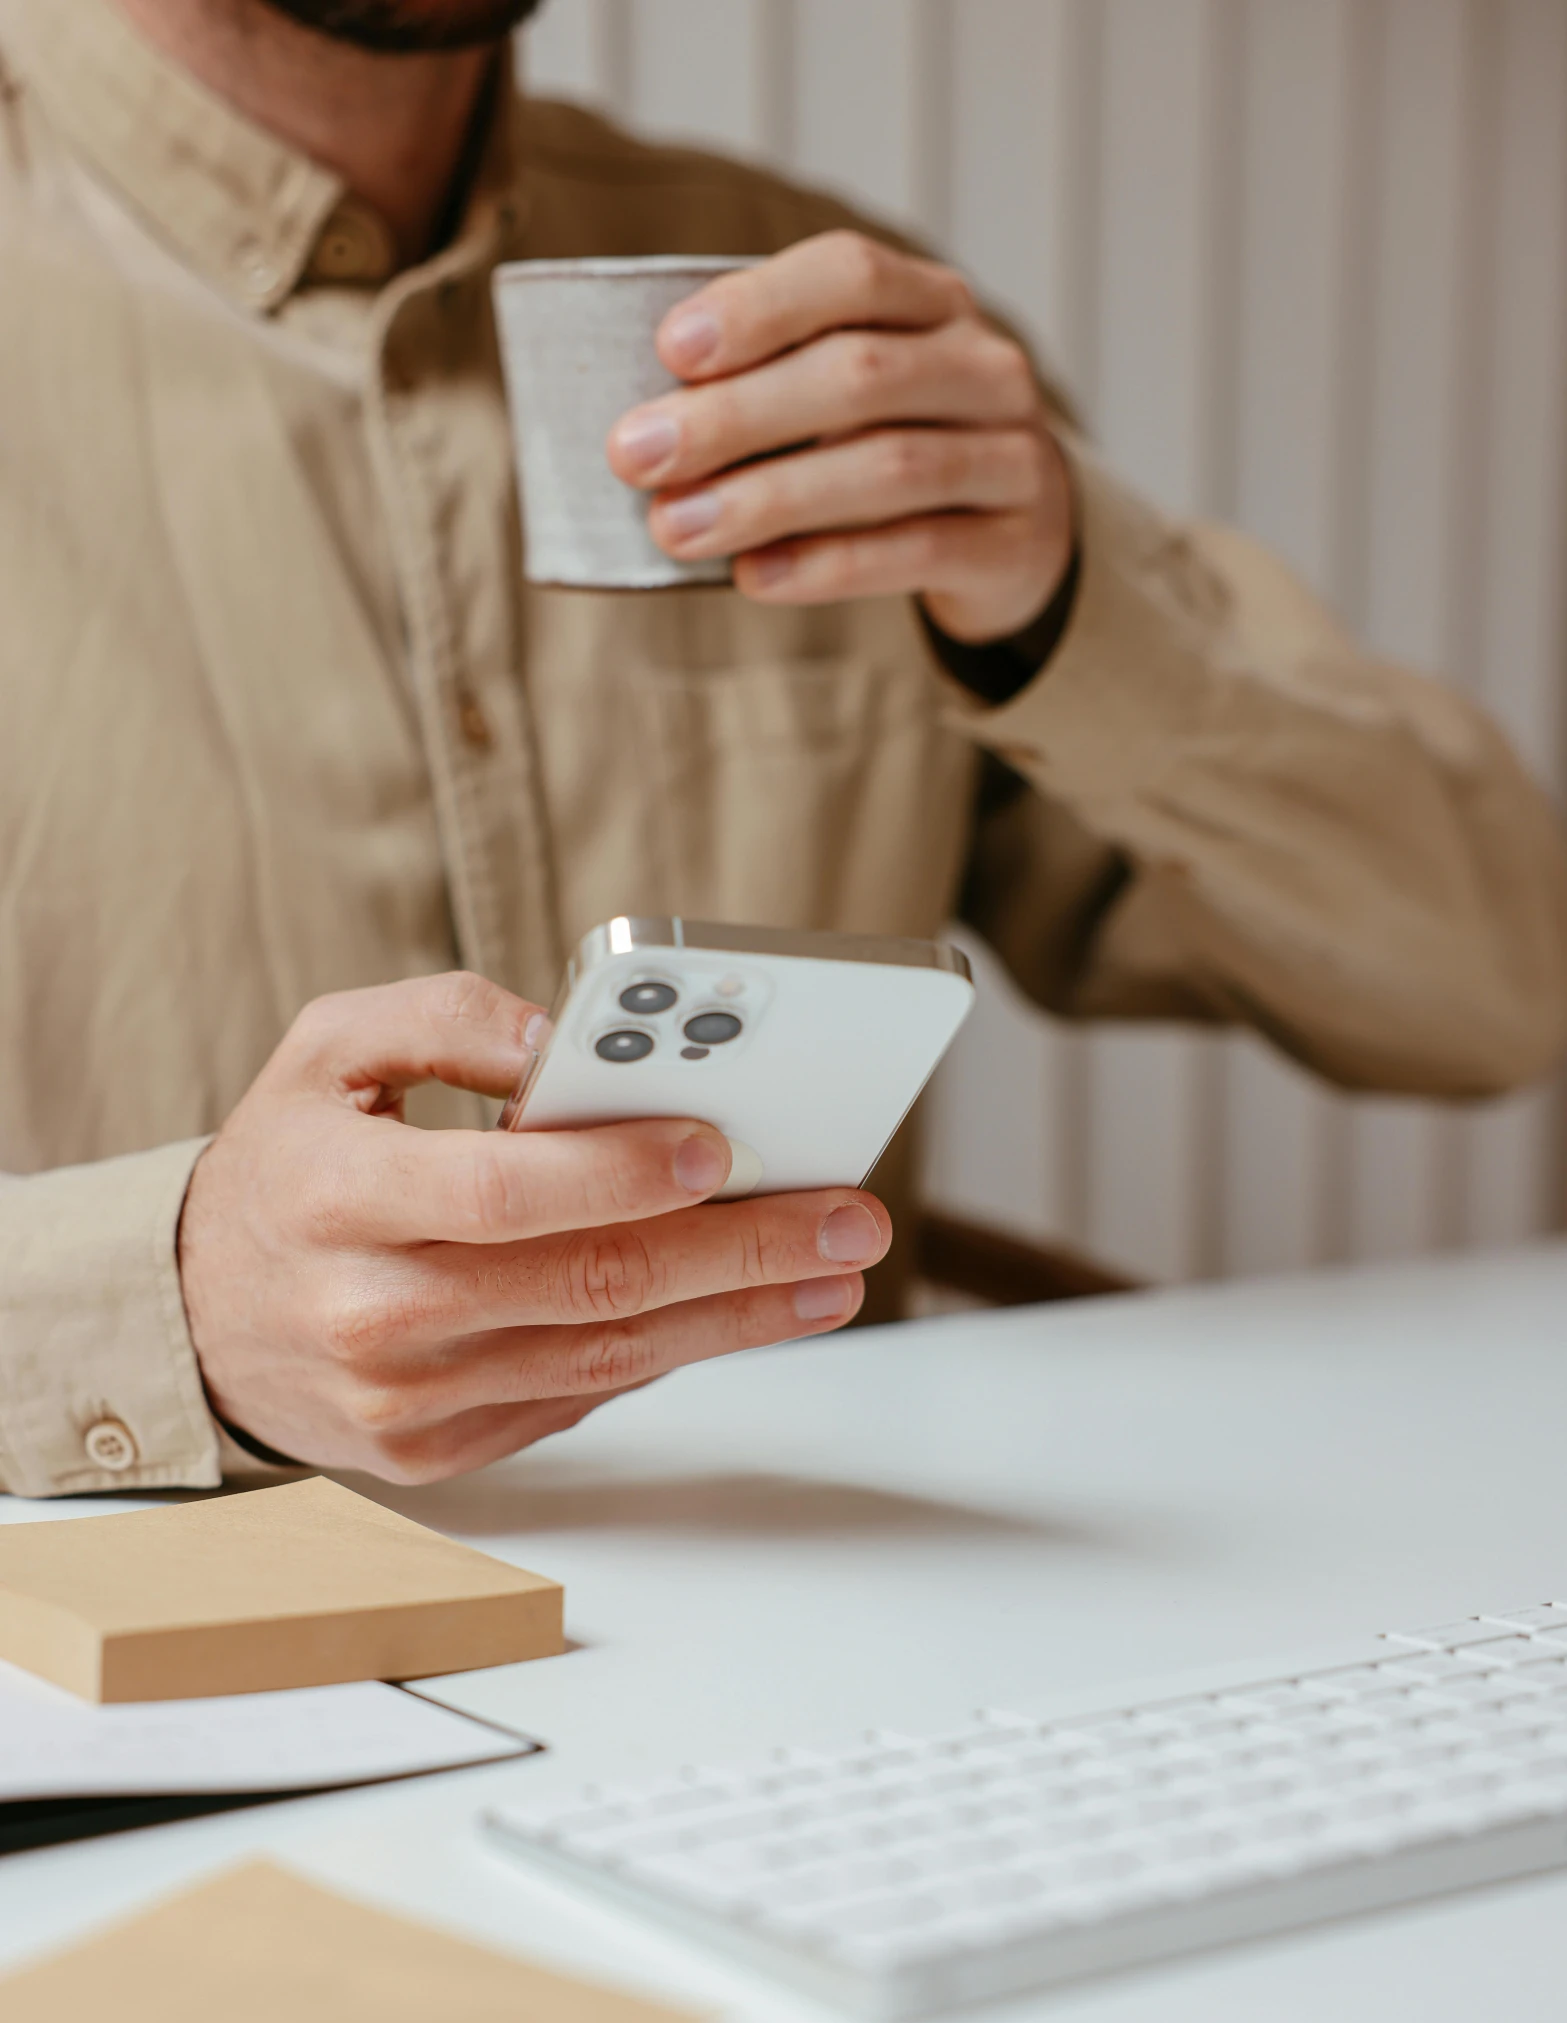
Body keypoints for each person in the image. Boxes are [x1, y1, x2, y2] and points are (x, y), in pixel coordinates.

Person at [1, 0, 1564, 1502]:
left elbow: (1500, 989)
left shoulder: (845, 344)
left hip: (845, 1672)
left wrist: (1067, 600)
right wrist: (155, 1302)